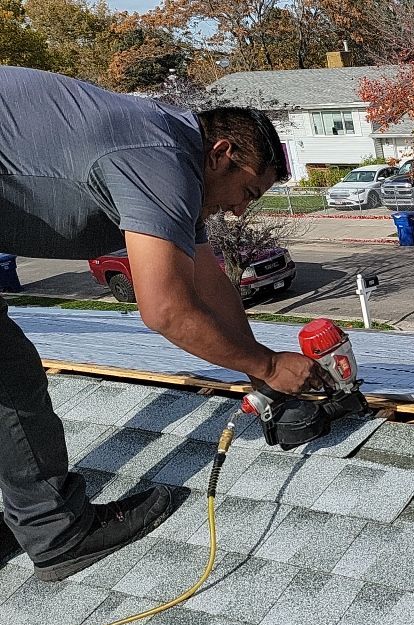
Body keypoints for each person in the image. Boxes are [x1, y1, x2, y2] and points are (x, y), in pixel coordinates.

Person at [0, 67, 331, 582]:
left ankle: (33, 518)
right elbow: (167, 310)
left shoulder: (169, 146)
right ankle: (56, 533)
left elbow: (207, 277)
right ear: (221, 153)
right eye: (248, 191)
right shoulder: (160, 158)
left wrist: (252, 362)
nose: (242, 211)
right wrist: (265, 363)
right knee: (8, 375)